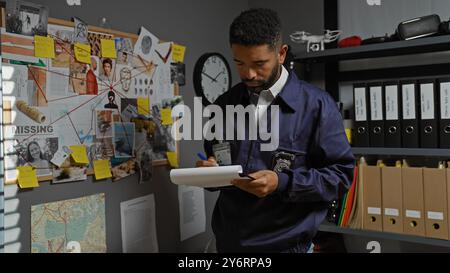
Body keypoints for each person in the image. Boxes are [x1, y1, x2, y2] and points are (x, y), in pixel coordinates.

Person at [196, 8, 355, 253]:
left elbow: (341, 177)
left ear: (281, 54)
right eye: (239, 63)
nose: (248, 74)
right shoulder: (223, 105)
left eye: (259, 64)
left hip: (288, 247)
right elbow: (217, 163)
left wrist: (282, 182)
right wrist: (209, 175)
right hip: (229, 246)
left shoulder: (318, 106)